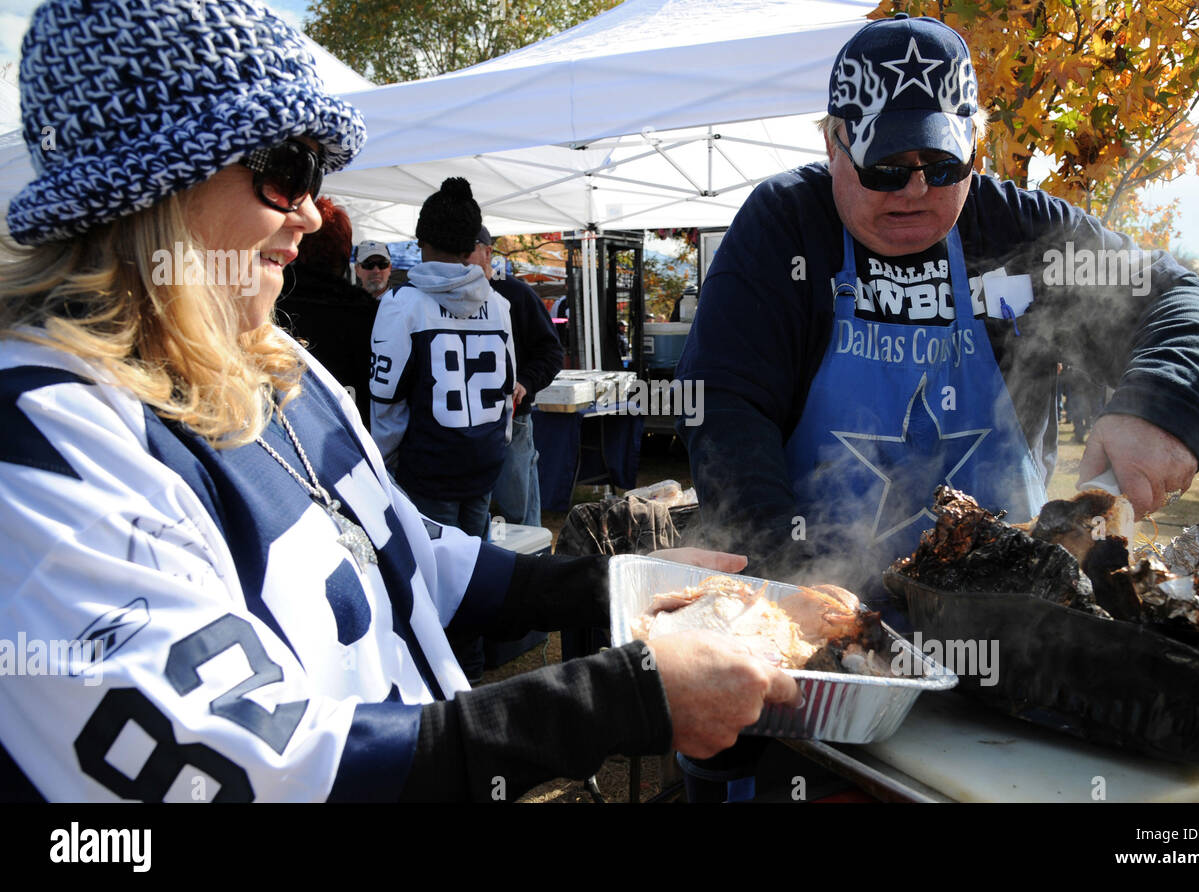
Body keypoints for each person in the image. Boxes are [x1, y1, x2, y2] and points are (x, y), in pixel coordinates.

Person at [0, 0, 798, 803]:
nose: (312, 213)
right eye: (288, 170)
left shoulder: (280, 367)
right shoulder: (40, 440)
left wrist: (617, 584)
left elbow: (407, 554)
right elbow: (247, 771)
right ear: (152, 182)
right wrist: (624, 698)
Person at [675, 13, 1199, 599]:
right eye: (885, 167)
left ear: (976, 146)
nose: (915, 190)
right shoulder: (788, 224)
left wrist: (1163, 403)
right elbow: (724, 402)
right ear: (832, 142)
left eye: (944, 165)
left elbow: (1178, 295)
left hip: (1008, 608)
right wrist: (788, 579)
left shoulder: (1016, 228)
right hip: (823, 596)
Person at [370, 180, 514, 542]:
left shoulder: (401, 303)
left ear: (422, 242)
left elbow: (386, 401)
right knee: (476, 571)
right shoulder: (499, 305)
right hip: (484, 462)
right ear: (472, 245)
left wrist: (383, 468)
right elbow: (507, 392)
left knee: (435, 580)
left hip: (429, 471)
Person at [477, 226, 564, 528]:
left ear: (487, 252)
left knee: (518, 513)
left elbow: (552, 352)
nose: (460, 261)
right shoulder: (443, 298)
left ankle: (534, 566)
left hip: (513, 421)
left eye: (468, 251)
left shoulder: (516, 293)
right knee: (479, 515)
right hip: (467, 425)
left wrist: (525, 382)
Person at [276, 197, 378, 427]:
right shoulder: (366, 312)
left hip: (285, 425)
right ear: (344, 253)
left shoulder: (272, 305)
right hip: (349, 431)